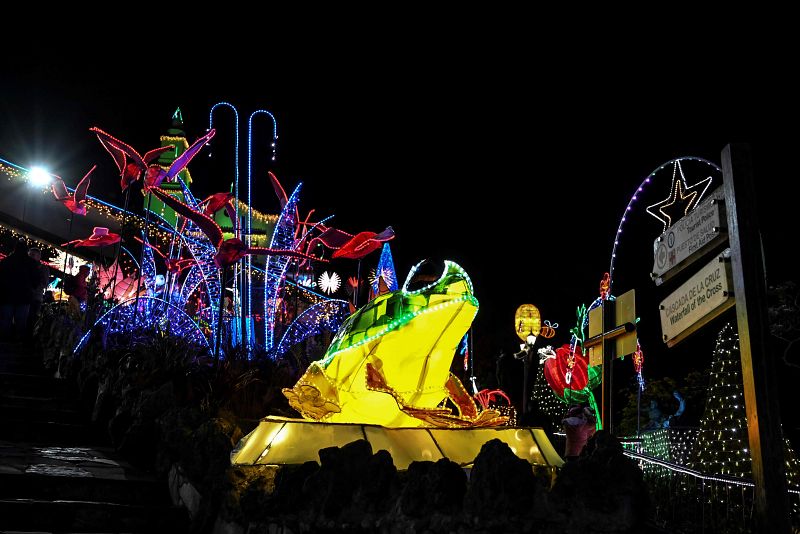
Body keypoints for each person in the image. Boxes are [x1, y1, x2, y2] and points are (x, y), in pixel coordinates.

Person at [0, 240, 41, 341]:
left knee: (6, 320)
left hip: (7, 296)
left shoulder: (6, 261)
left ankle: (4, 342)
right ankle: (19, 344)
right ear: (26, 250)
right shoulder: (31, 263)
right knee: (21, 321)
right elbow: (36, 281)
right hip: (24, 297)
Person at [26, 248, 51, 337]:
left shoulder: (42, 268)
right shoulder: (26, 266)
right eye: (29, 255)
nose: (30, 257)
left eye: (32, 255)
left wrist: (33, 287)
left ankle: (27, 338)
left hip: (35, 297)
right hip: (25, 296)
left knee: (31, 319)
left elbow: (44, 283)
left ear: (38, 257)